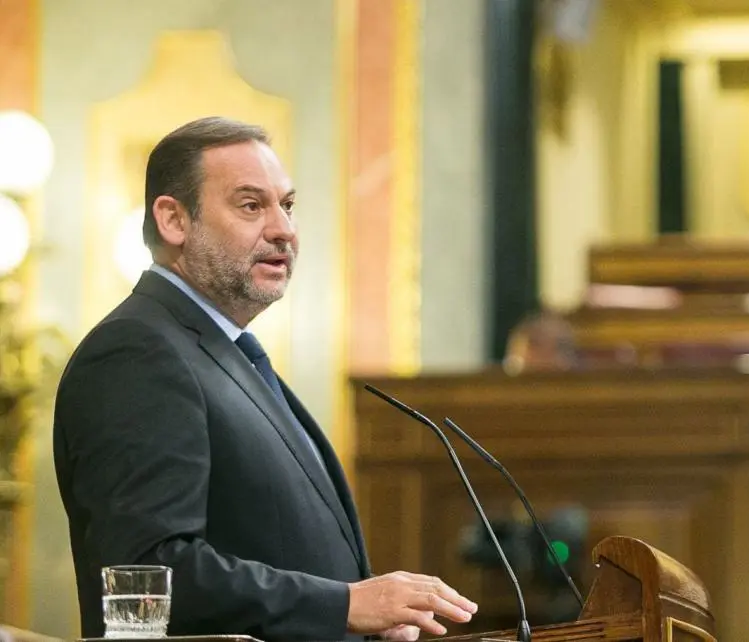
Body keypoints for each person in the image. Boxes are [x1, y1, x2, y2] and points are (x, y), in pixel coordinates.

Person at [53, 117, 478, 641]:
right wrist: (343, 605)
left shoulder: (224, 355)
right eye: (252, 205)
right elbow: (147, 574)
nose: (284, 229)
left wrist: (364, 625)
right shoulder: (137, 353)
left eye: (288, 205)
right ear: (174, 220)